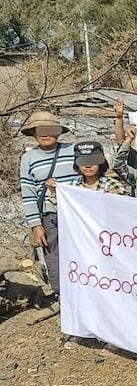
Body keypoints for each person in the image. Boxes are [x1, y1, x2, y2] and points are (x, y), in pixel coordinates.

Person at [19, 111, 77, 301]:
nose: (45, 133)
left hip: (77, 214)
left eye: (49, 129)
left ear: (58, 131)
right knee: (53, 254)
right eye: (40, 130)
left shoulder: (74, 149)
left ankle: (86, 290)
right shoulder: (28, 158)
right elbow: (28, 193)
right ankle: (62, 295)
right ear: (34, 133)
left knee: (82, 250)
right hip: (50, 215)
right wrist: (36, 225)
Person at [46, 141, 128, 203]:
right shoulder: (74, 185)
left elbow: (129, 207)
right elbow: (64, 207)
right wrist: (53, 191)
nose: (88, 166)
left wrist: (117, 200)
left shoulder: (111, 184)